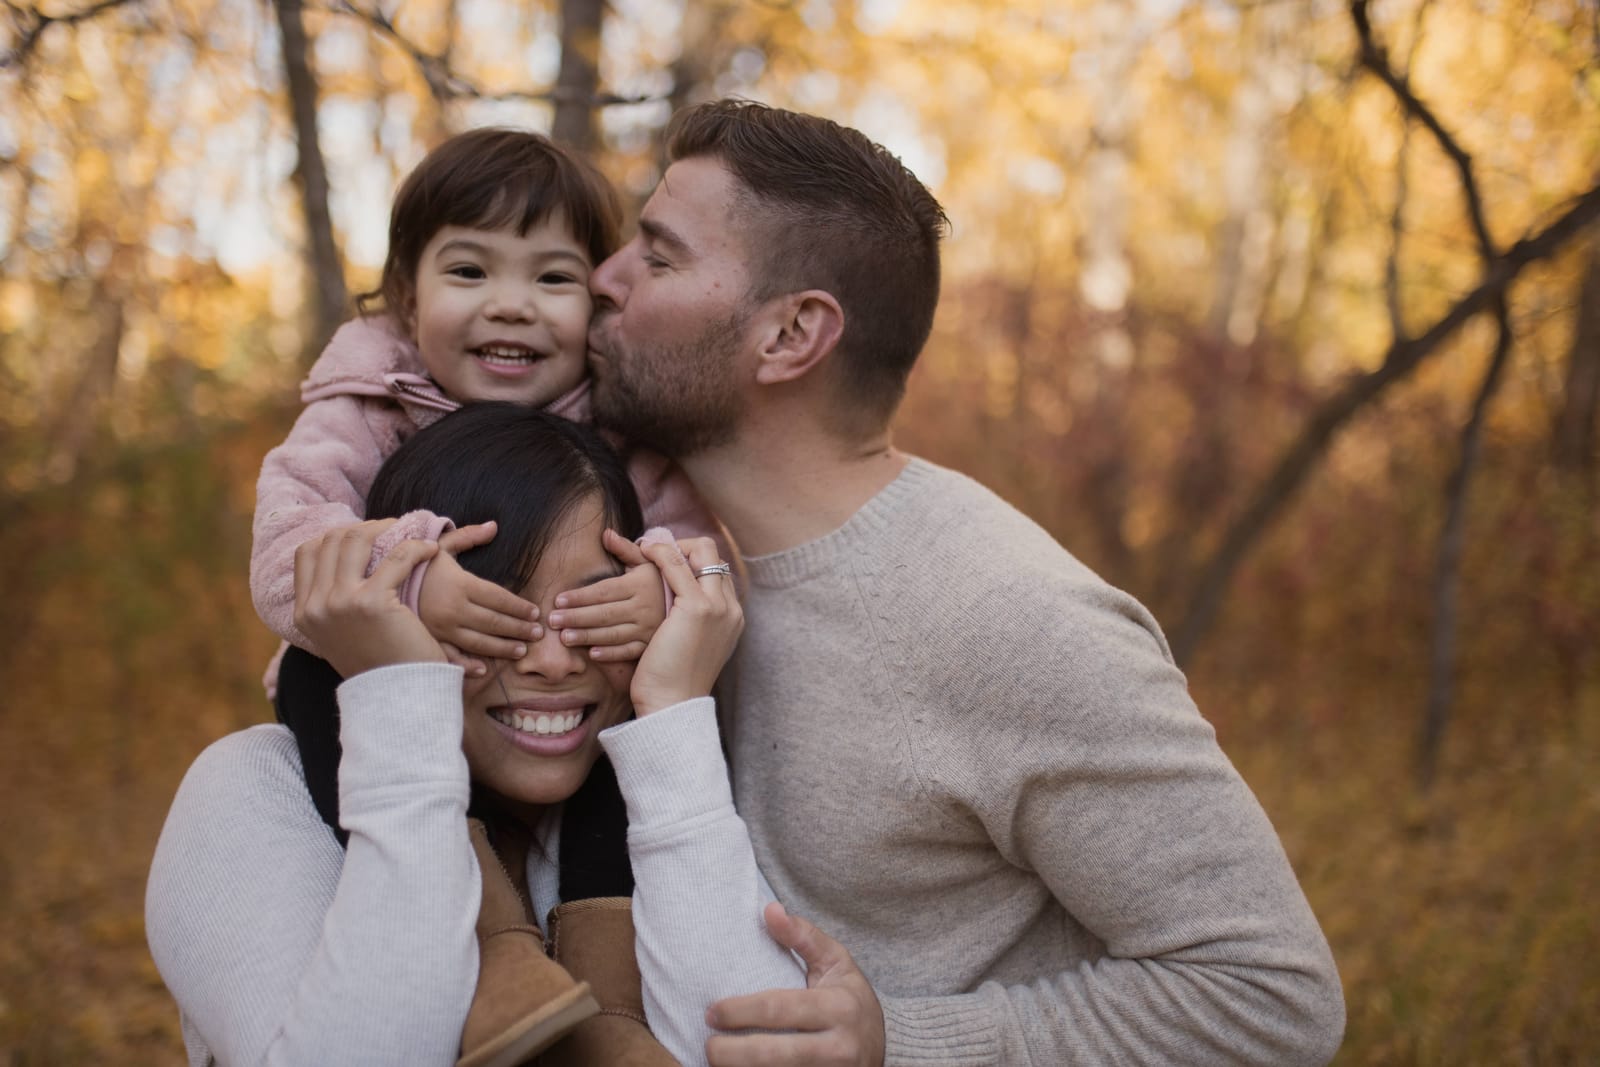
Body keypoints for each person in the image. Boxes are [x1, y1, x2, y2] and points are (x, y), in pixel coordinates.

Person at [583, 98, 1347, 1066]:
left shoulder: (1004, 616)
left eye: (657, 257)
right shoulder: (675, 559)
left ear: (789, 336)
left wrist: (898, 1042)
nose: (602, 279)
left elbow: (1268, 997)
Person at [146, 404, 803, 1067]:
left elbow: (763, 1048)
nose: (552, 661)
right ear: (393, 613)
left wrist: (671, 711)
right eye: (494, 615)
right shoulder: (250, 791)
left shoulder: (666, 789)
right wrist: (401, 693)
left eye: (597, 612)